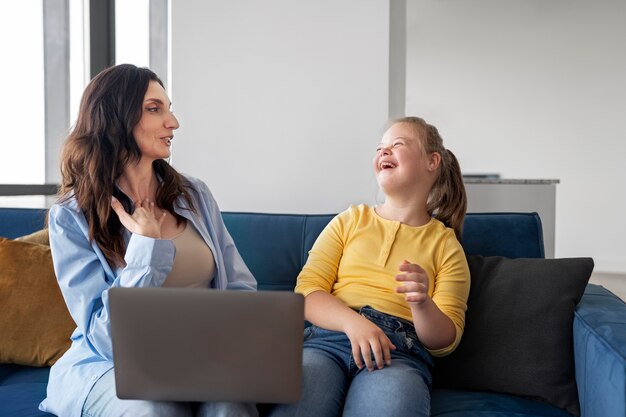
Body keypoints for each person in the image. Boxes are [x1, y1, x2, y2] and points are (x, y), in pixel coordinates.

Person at [38, 64, 258, 417]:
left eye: (169, 109)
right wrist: (146, 249)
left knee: (230, 405)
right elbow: (105, 338)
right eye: (155, 109)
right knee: (155, 409)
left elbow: (240, 287)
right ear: (115, 118)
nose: (173, 122)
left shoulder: (195, 194)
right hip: (110, 366)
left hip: (202, 358)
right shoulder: (71, 214)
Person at [268, 116, 471, 417]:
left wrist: (422, 303)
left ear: (432, 161)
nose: (383, 152)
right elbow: (308, 292)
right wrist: (355, 324)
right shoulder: (348, 221)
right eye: (380, 148)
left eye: (397, 145)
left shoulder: (446, 246)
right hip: (327, 341)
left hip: (398, 352)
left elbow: (445, 341)